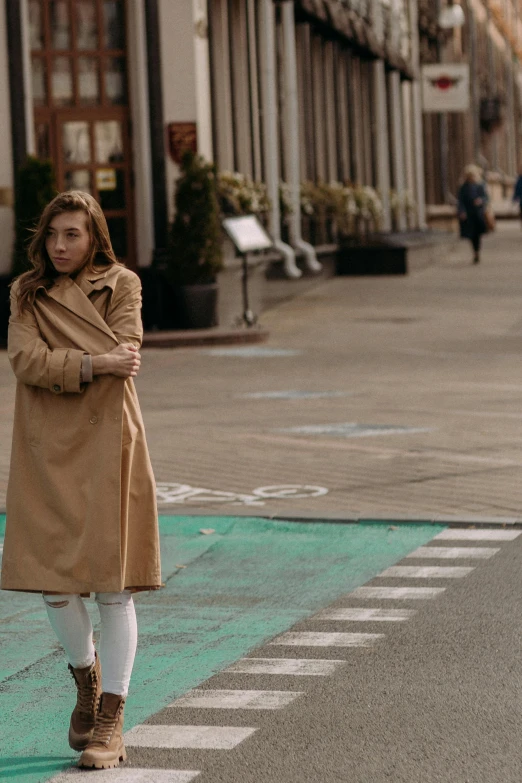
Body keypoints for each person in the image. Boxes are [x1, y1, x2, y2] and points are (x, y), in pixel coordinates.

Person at [1, 191, 162, 770]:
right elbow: (24, 361)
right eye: (53, 235)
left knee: (113, 583)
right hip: (46, 446)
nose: (61, 246)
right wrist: (96, 364)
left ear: (94, 236)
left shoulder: (123, 284)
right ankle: (86, 680)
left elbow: (131, 350)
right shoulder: (26, 291)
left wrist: (80, 360)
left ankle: (111, 714)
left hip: (106, 441)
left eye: (73, 234)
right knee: (55, 582)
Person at [457, 164, 489, 264]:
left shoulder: (480, 185)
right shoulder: (463, 187)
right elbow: (460, 200)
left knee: (477, 234)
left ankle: (477, 251)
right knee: (470, 234)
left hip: (478, 214)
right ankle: (475, 251)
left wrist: (481, 201)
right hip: (468, 214)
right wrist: (461, 211)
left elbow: (486, 198)